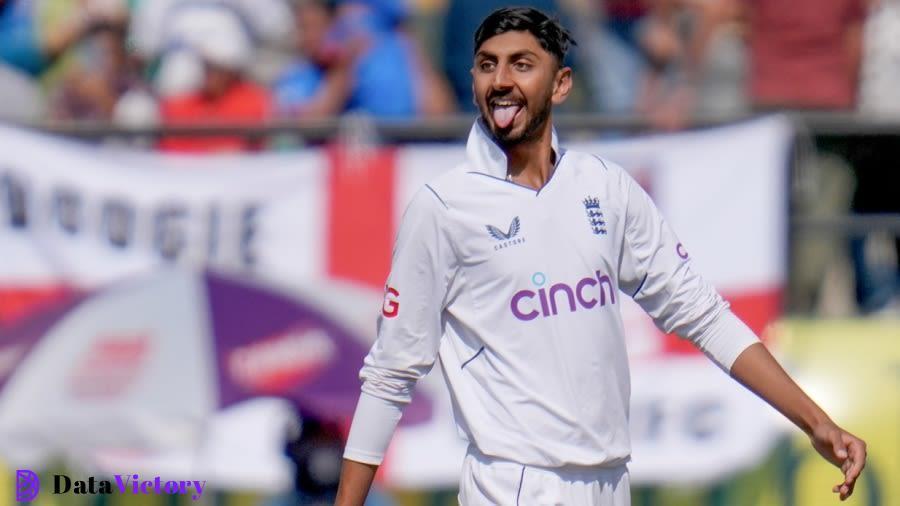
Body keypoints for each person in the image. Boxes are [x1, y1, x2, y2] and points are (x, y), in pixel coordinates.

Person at [335, 7, 867, 505]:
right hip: (514, 485)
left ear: (561, 84)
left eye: (522, 65)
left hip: (611, 481)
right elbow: (390, 374)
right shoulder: (444, 207)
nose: (501, 81)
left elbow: (703, 315)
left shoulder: (605, 187)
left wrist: (816, 421)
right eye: (487, 66)